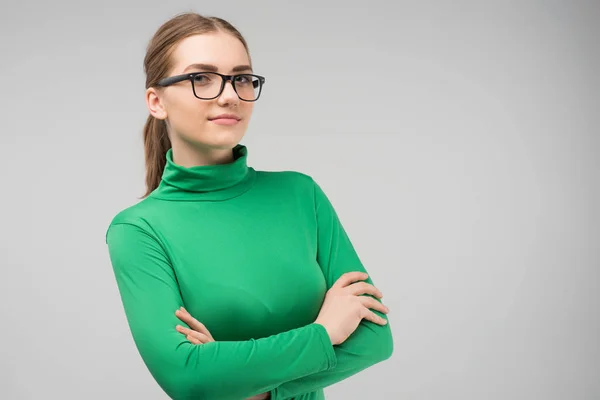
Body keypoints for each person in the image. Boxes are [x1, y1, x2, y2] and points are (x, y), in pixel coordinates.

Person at [105, 11, 393, 400]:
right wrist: (323, 334)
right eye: (201, 78)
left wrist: (247, 388)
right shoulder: (138, 230)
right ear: (157, 102)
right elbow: (188, 378)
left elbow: (374, 340)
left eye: (241, 78)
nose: (229, 94)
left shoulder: (300, 195)